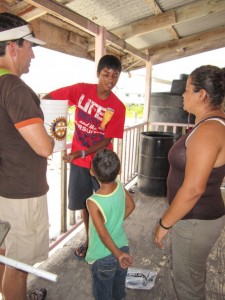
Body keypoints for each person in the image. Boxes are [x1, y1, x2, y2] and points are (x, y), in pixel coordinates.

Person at [43, 54, 126, 259]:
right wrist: (51, 133)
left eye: (115, 76)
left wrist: (81, 151)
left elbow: (106, 140)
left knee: (105, 204)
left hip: (101, 164)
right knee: (86, 205)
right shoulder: (81, 91)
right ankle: (91, 241)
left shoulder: (118, 107)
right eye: (106, 74)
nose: (110, 80)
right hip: (79, 163)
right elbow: (50, 99)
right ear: (98, 74)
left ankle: (107, 241)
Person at [155, 65, 225, 300]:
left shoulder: (209, 130)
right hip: (197, 217)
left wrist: (164, 224)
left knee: (188, 288)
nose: (182, 95)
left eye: (187, 90)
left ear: (202, 94)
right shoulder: (212, 124)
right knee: (193, 277)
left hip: (195, 221)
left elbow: (194, 189)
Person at [0, 13, 54, 300]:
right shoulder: (14, 87)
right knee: (18, 267)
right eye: (29, 46)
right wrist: (55, 136)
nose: (32, 54)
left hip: (3, 190)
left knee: (4, 256)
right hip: (21, 195)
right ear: (12, 47)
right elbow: (43, 147)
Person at [85, 148, 135, 300]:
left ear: (92, 172)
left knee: (103, 294)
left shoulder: (93, 202)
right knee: (119, 290)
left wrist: (118, 255)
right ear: (119, 171)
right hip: (122, 246)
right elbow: (131, 206)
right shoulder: (119, 185)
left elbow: (103, 235)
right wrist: (117, 220)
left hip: (103, 256)